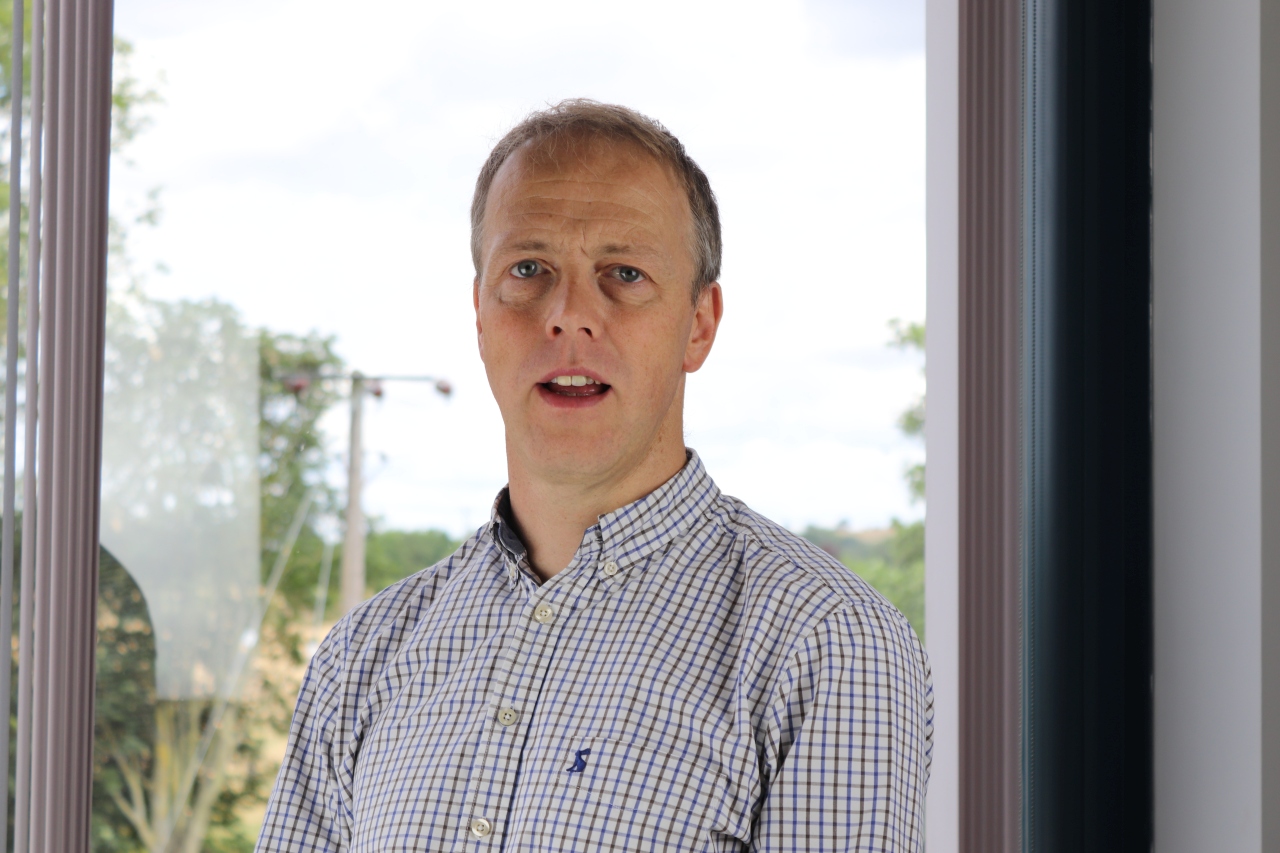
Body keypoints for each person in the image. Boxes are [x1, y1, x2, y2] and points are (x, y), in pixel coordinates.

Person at [257, 99, 933, 852]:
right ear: (479, 313)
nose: (569, 315)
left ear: (699, 323)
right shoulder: (363, 655)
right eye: (528, 269)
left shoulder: (827, 643)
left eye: (624, 273)